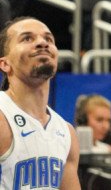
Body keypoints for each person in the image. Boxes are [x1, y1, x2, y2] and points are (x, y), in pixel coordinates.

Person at [0, 17, 80, 188]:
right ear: (5, 64)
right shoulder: (2, 117)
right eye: (27, 38)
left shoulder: (66, 132)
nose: (42, 43)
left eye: (48, 39)